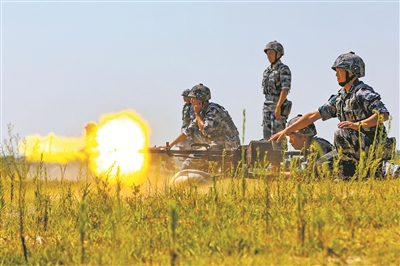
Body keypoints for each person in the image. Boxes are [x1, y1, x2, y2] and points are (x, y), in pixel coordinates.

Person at [269, 52, 398, 179]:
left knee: (341, 131)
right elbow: (312, 116)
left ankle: (371, 169)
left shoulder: (362, 93)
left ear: (351, 72)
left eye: (339, 71)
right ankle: (354, 173)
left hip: (372, 145)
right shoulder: (339, 98)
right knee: (321, 164)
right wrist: (287, 130)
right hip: (352, 149)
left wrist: (357, 125)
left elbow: (383, 115)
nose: (336, 74)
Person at [165, 83, 241, 170]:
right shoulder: (203, 111)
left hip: (228, 146)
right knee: (192, 134)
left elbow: (205, 130)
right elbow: (187, 131)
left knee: (191, 161)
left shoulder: (213, 110)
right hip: (218, 143)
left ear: (200, 99)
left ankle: (203, 167)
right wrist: (170, 146)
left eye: (192, 99)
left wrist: (197, 114)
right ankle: (204, 166)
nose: (191, 101)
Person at [262, 40, 292, 150]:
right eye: (267, 54)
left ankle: (280, 163)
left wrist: (278, 107)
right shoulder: (267, 71)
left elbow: (285, 89)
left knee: (278, 138)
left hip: (277, 107)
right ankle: (270, 163)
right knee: (266, 139)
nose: (269, 56)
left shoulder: (283, 69)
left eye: (271, 53)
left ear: (278, 54)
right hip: (267, 107)